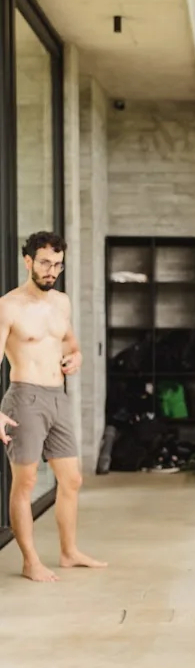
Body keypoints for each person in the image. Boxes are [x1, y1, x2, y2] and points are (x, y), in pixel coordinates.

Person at [0, 232, 106, 582]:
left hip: (57, 397)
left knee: (71, 479)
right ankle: (30, 561)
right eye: (45, 263)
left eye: (58, 265)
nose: (52, 271)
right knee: (26, 482)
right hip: (24, 398)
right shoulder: (9, 306)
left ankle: (68, 552)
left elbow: (70, 344)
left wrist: (76, 357)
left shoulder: (62, 302)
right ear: (28, 261)